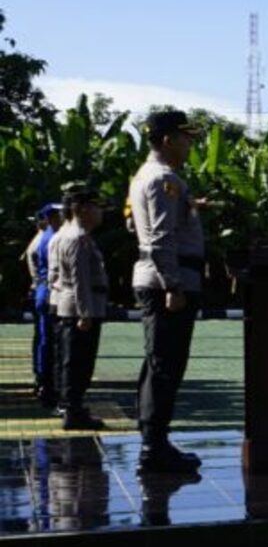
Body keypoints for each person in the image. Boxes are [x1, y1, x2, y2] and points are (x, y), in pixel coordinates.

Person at [129, 109, 206, 473]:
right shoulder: (163, 179)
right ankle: (154, 447)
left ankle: (153, 439)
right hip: (167, 283)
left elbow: (136, 222)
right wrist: (173, 285)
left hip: (157, 278)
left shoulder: (147, 175)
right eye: (185, 137)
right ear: (166, 140)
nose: (190, 143)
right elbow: (159, 237)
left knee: (158, 361)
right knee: (165, 365)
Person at [51, 185, 110, 430]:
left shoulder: (69, 235)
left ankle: (73, 407)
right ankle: (73, 411)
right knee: (78, 363)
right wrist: (85, 314)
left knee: (74, 362)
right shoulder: (77, 238)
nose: (100, 213)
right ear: (83, 209)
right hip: (80, 309)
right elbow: (79, 279)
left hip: (73, 306)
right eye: (97, 208)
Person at [29, 202, 63, 408]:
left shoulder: (47, 237)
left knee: (45, 339)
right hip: (48, 291)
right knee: (49, 341)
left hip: (43, 291)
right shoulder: (51, 238)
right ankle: (47, 384)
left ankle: (44, 381)